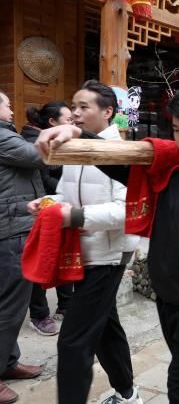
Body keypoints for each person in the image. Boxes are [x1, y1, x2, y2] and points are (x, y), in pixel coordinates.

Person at [36, 84, 179, 404]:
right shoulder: (173, 168)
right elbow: (122, 166)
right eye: (176, 129)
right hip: (170, 297)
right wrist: (75, 135)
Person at [27, 81, 142, 404]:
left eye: (84, 107)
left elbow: (129, 211)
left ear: (108, 112)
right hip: (83, 250)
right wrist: (49, 203)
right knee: (106, 328)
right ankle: (128, 394)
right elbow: (66, 194)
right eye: (73, 107)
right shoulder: (75, 149)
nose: (75, 114)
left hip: (108, 254)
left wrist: (73, 216)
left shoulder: (121, 152)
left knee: (73, 341)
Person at [0, 91, 44, 404]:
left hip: (15, 224)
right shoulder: (2, 138)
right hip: (11, 229)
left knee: (13, 303)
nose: (11, 107)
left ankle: (8, 362)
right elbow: (38, 155)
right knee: (9, 306)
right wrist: (63, 132)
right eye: (5, 103)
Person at [21, 101, 74, 336]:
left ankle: (65, 306)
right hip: (42, 209)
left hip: (58, 208)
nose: (73, 122)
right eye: (69, 119)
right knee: (41, 263)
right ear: (53, 122)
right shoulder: (35, 142)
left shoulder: (68, 140)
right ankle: (39, 315)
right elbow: (43, 181)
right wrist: (67, 190)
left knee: (62, 257)